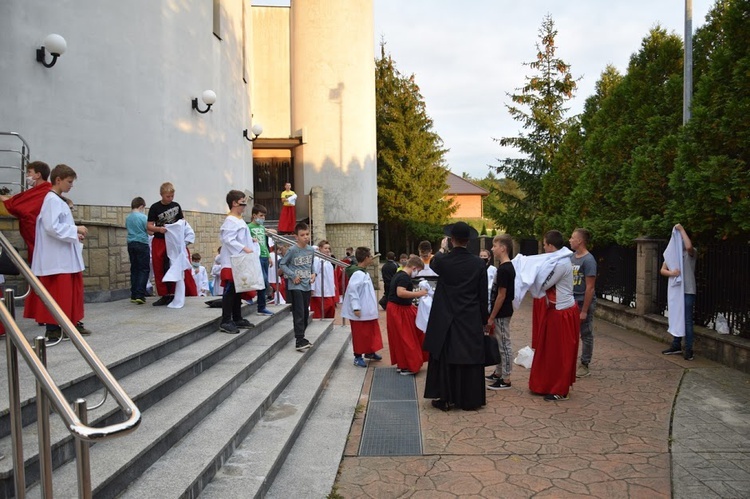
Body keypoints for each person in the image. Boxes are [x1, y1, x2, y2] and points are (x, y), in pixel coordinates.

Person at [424, 222, 488, 411]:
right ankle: (469, 399)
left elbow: (434, 262)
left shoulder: (443, 261)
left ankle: (446, 397)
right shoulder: (478, 263)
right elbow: (482, 295)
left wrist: (442, 249)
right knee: (468, 356)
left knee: (446, 358)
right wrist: (484, 320)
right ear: (468, 241)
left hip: (446, 318)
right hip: (469, 317)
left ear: (451, 240)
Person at [31, 164, 90, 341]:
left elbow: (59, 226)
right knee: (58, 294)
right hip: (56, 259)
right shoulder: (51, 200)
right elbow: (52, 227)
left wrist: (75, 234)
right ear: (58, 180)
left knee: (68, 294)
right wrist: (75, 229)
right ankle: (54, 328)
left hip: (64, 256)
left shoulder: (58, 200)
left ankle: (69, 324)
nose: (71, 186)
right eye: (69, 182)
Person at [529, 230, 580, 401]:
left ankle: (560, 388)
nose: (543, 248)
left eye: (544, 245)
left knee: (560, 352)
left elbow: (544, 283)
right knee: (549, 350)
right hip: (556, 311)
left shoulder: (560, 264)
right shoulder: (558, 261)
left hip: (562, 313)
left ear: (551, 246)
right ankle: (547, 384)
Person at [147, 182, 197, 305]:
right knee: (159, 267)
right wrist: (159, 229)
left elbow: (182, 221)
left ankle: (175, 293)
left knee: (174, 265)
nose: (170, 199)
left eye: (172, 196)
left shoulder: (176, 206)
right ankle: (164, 294)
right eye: (167, 196)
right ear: (161, 195)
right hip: (160, 240)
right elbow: (148, 226)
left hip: (173, 241)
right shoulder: (155, 208)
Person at [217, 190, 257, 334]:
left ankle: (237, 317)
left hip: (239, 260)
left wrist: (249, 241)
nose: (245, 206)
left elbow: (238, 237)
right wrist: (244, 248)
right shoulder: (230, 221)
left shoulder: (238, 219)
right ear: (234, 203)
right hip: (232, 260)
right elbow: (228, 240)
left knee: (238, 290)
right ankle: (226, 320)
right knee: (230, 290)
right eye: (242, 203)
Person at [342, 247, 384, 367]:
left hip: (367, 310)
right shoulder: (357, 274)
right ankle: (358, 356)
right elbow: (353, 291)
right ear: (366, 258)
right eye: (370, 256)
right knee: (360, 334)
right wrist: (356, 308)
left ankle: (370, 351)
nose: (371, 258)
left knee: (370, 332)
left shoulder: (362, 272)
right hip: (360, 311)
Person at [386, 256, 428, 375]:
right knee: (407, 338)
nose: (417, 273)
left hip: (398, 308)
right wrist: (419, 293)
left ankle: (404, 363)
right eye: (418, 270)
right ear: (414, 267)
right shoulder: (404, 277)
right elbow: (400, 292)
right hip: (399, 310)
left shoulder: (399, 274)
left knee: (402, 338)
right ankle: (408, 365)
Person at [660, 223, 697, 361]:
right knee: (676, 317)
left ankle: (689, 349)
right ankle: (676, 345)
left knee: (687, 320)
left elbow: (688, 247)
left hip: (687, 291)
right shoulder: (673, 254)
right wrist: (672, 273)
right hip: (677, 292)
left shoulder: (691, 253)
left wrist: (681, 229)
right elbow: (662, 270)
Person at [279, 222, 316, 351]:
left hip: (307, 285)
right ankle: (299, 339)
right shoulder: (292, 250)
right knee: (299, 312)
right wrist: (292, 275)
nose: (306, 237)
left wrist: (313, 273)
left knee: (305, 312)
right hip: (295, 286)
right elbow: (283, 264)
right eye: (302, 235)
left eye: (307, 234)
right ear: (296, 237)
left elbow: (311, 264)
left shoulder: (311, 250)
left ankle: (302, 336)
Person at [485, 234, 515, 391]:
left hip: (502, 312)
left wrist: (492, 316)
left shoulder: (505, 269)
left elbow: (501, 295)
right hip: (500, 312)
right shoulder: (504, 268)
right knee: (499, 342)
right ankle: (499, 372)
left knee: (504, 343)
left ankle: (506, 377)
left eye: (494, 246)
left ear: (503, 248)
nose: (492, 249)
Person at [569, 228, 597, 378]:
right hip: (571, 301)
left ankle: (584, 364)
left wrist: (584, 310)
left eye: (572, 238)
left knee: (585, 333)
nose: (570, 240)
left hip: (582, 301)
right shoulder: (571, 258)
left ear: (579, 241)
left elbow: (590, 287)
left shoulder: (588, 260)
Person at [247, 204, 275, 316]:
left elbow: (265, 244)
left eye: (264, 216)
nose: (262, 218)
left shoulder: (262, 228)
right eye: (261, 215)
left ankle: (261, 306)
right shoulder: (248, 227)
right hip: (255, 256)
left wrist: (268, 256)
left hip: (264, 256)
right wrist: (251, 239)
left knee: (263, 281)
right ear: (254, 215)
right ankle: (249, 295)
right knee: (262, 280)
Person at [126, 196, 150, 304]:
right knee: (144, 269)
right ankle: (140, 294)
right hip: (142, 243)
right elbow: (149, 231)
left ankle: (133, 294)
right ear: (141, 206)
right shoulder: (143, 217)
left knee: (134, 269)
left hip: (131, 243)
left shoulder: (128, 218)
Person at [311, 240, 336, 318]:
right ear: (320, 249)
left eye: (329, 248)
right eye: (325, 248)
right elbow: (313, 274)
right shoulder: (317, 259)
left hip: (329, 288)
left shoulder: (328, 261)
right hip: (320, 290)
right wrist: (312, 288)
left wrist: (333, 285)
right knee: (322, 309)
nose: (328, 250)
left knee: (331, 308)